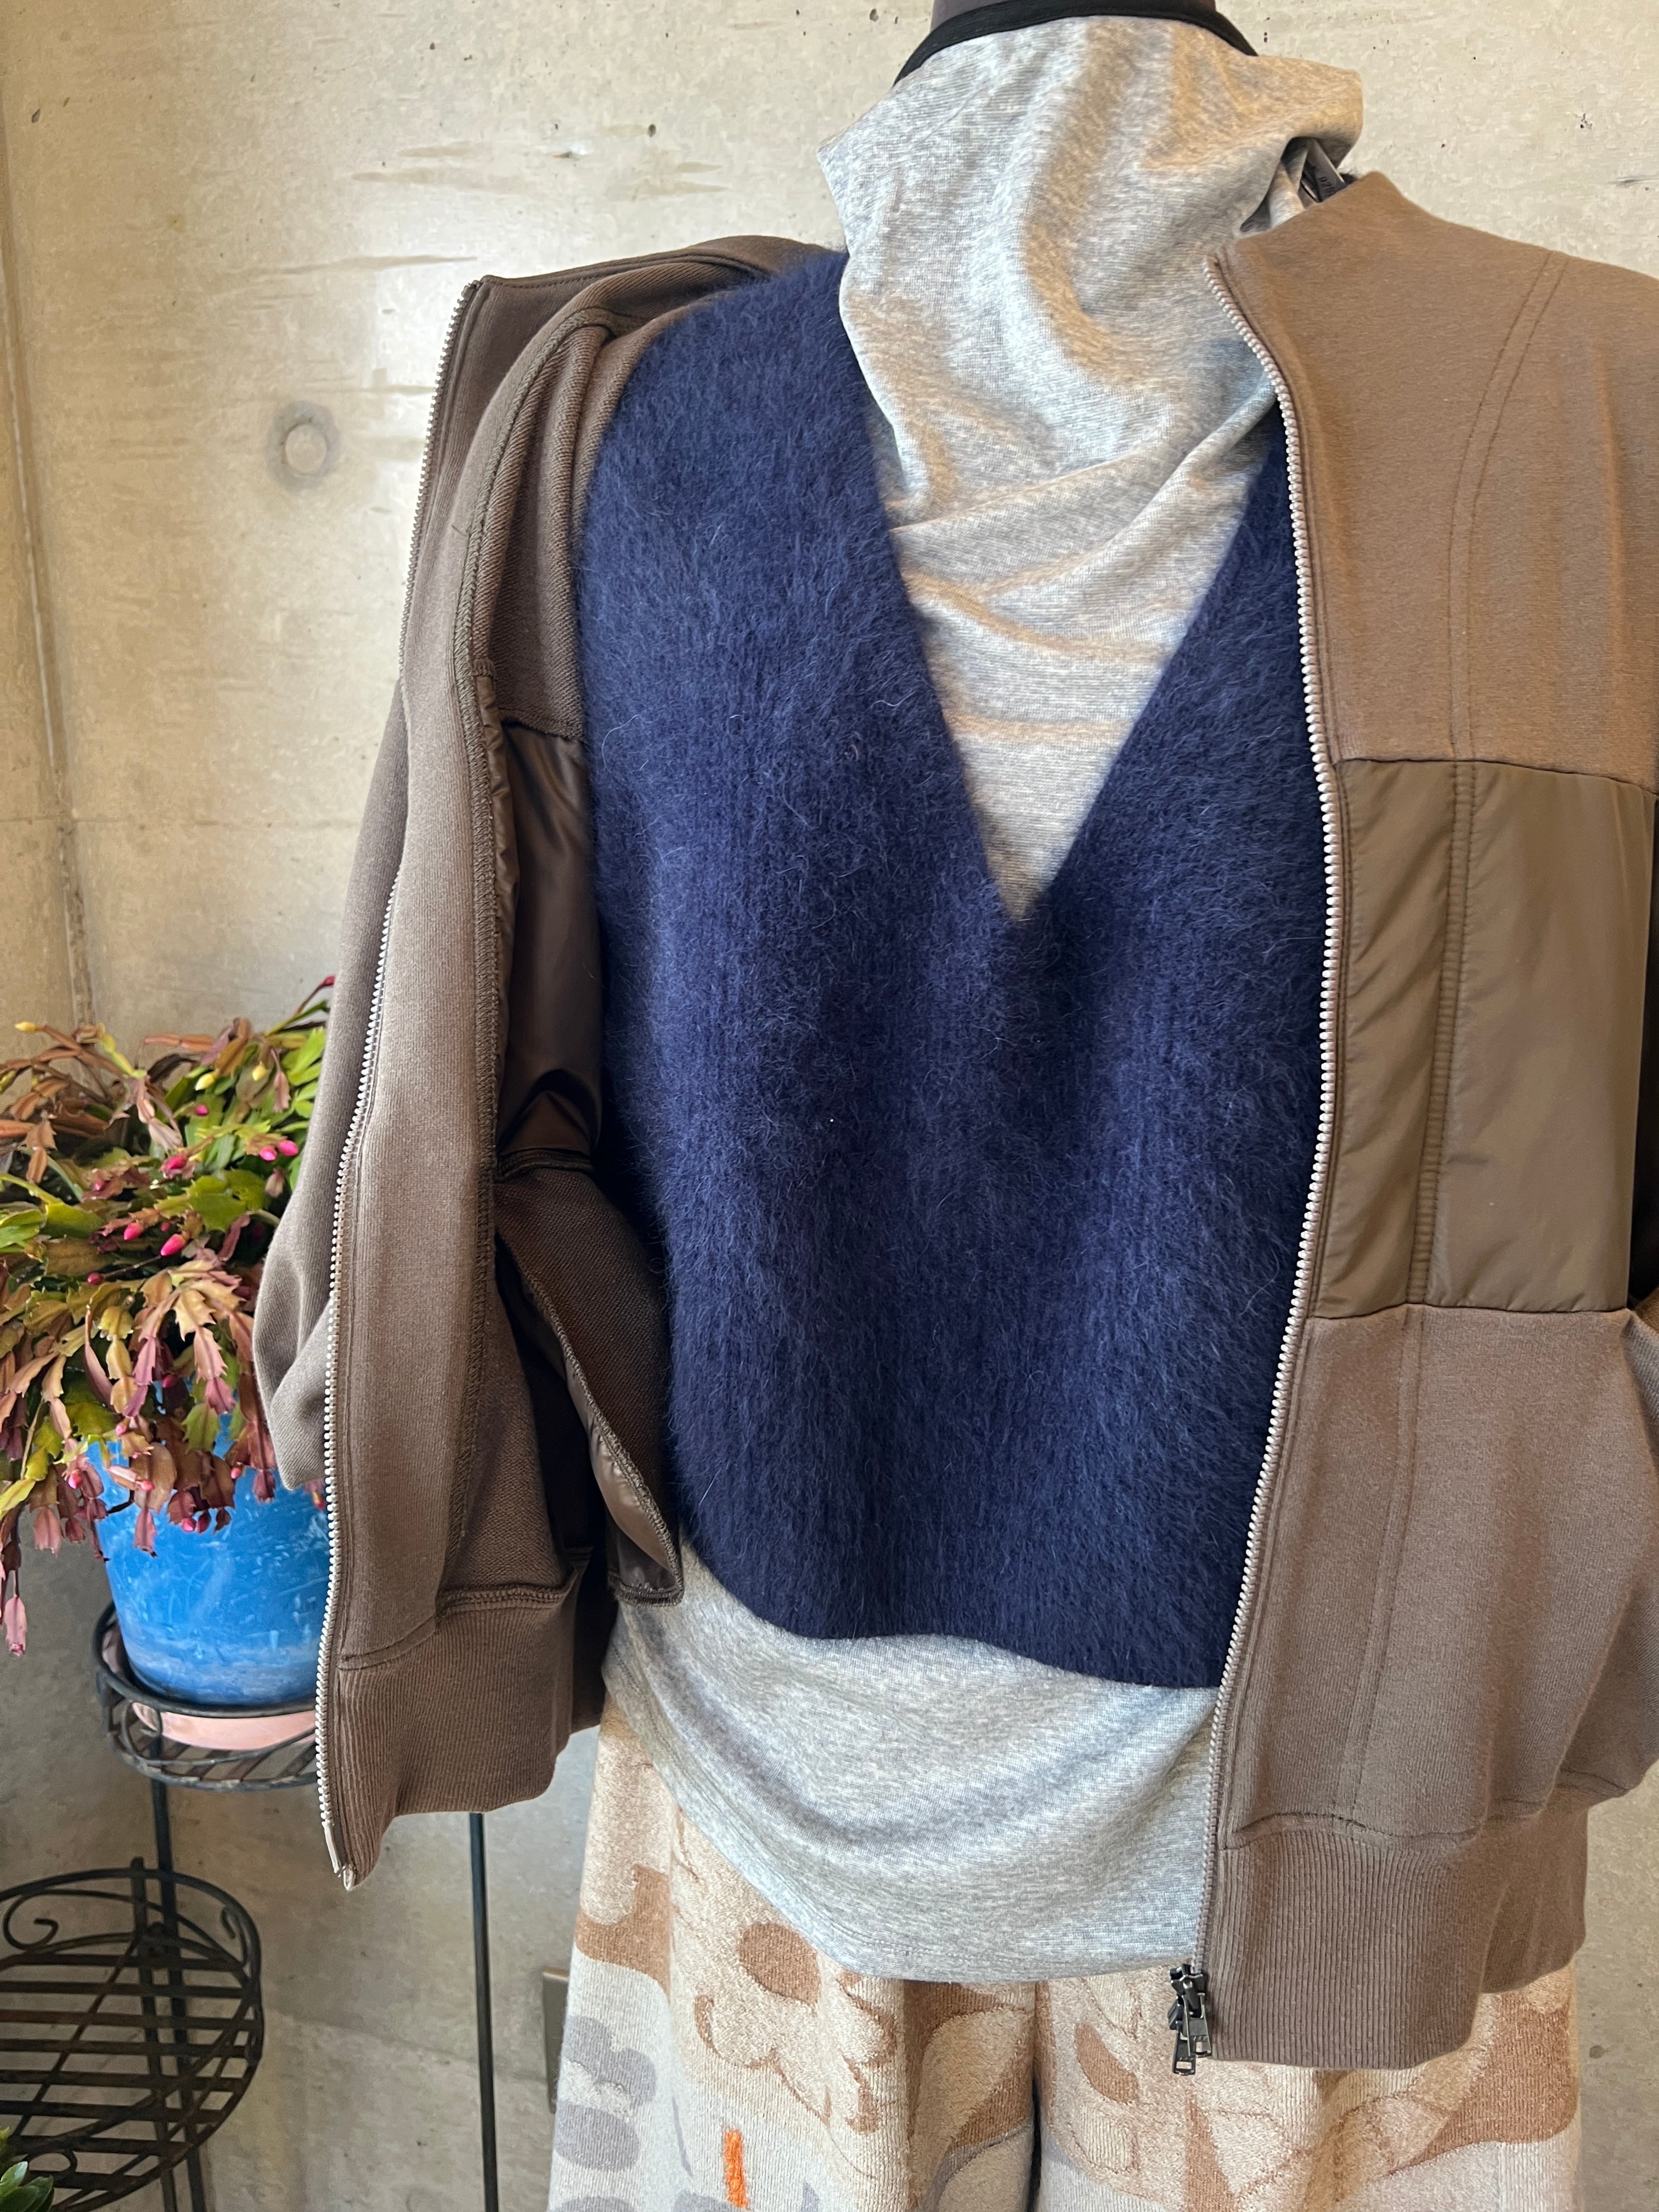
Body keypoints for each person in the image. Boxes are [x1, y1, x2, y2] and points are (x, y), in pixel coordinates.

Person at [255, 4, 1659, 2205]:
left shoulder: (1589, 412)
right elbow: (459, 1074)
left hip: (1342, 1834)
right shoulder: (610, 433)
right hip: (767, 1810)